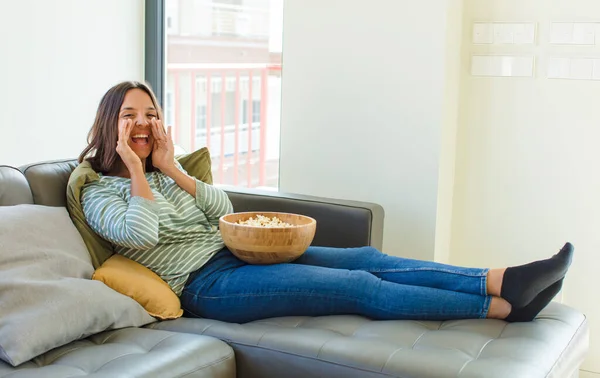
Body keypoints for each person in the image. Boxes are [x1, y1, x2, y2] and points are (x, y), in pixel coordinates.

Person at [78, 81, 573, 324]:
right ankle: (504, 309)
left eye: (151, 113)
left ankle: (504, 278)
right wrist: (139, 171)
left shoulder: (164, 173)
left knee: (367, 259)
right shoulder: (98, 189)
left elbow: (220, 209)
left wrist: (171, 169)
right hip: (207, 285)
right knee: (359, 287)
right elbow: (140, 233)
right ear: (110, 124)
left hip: (236, 253)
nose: (143, 123)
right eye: (129, 115)